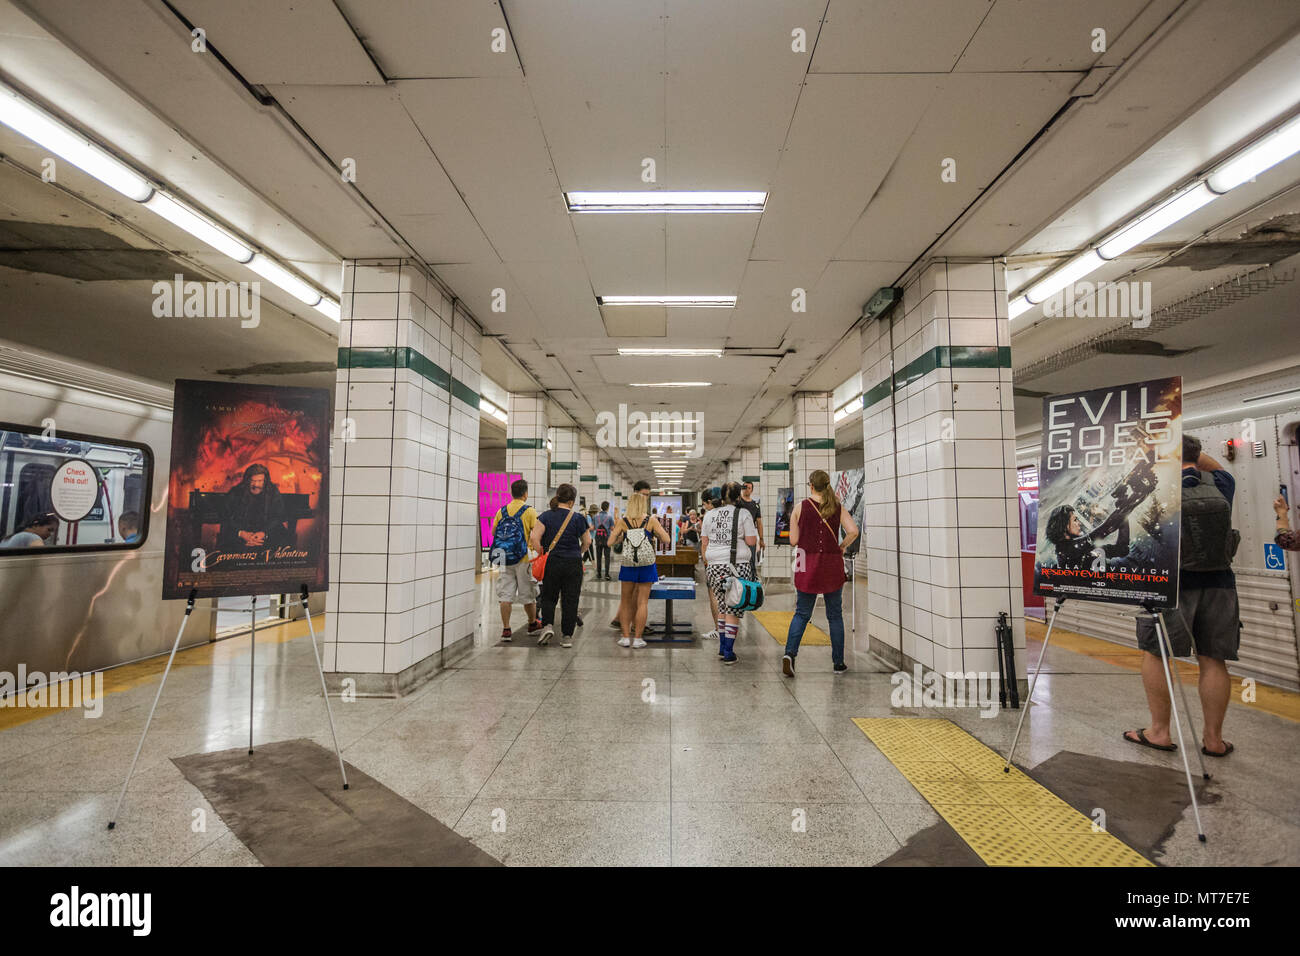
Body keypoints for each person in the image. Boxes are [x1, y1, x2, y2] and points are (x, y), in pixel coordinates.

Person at [1125, 436, 1240, 758]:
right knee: (1213, 658)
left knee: (1157, 654)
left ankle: (1159, 732)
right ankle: (1214, 741)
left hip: (1168, 584)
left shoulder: (1157, 488)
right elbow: (1211, 464)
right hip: (1219, 582)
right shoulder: (1222, 482)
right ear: (1197, 454)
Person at [782, 470, 859, 676]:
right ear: (827, 486)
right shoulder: (837, 507)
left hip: (807, 564)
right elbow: (854, 531)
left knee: (802, 613)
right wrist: (841, 546)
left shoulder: (800, 507)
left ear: (811, 486)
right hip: (831, 565)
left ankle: (790, 654)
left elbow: (793, 541)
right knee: (834, 615)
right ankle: (838, 663)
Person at [700, 482, 758, 664]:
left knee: (722, 606)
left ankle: (722, 647)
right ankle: (728, 651)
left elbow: (704, 541)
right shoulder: (743, 514)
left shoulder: (710, 515)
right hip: (736, 565)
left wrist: (707, 561)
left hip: (714, 566)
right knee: (733, 607)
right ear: (738, 496)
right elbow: (750, 541)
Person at [608, 479, 670, 648]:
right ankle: (638, 639)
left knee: (626, 601)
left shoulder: (623, 521)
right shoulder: (651, 520)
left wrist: (623, 536)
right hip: (646, 564)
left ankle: (625, 637)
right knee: (642, 602)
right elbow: (667, 538)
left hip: (628, 564)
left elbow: (609, 543)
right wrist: (652, 536)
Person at [528, 483, 591, 648]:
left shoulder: (545, 516)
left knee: (549, 596)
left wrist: (542, 551)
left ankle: (548, 626)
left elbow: (534, 537)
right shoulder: (578, 518)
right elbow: (587, 542)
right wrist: (578, 552)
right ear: (571, 501)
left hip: (552, 561)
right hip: (573, 563)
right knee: (570, 599)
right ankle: (567, 636)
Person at [489, 478, 543, 642]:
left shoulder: (502, 511)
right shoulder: (530, 511)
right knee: (527, 593)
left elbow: (493, 533)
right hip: (524, 557)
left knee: (505, 594)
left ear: (511, 493)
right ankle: (532, 624)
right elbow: (536, 535)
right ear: (525, 493)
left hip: (504, 557)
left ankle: (506, 629)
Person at [219, 463, 288, 551]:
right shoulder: (236, 492)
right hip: (240, 535)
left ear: (265, 480)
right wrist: (241, 533)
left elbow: (278, 517)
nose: (256, 484)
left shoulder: (273, 491)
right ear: (247, 480)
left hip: (266, 533)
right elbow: (226, 517)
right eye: (253, 481)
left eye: (260, 481)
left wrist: (263, 533)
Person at [739, 481, 765, 557]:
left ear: (752, 490)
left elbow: (759, 523)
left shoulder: (755, 505)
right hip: (739, 535)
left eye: (749, 488)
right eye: (745, 487)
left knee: (751, 558)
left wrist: (761, 539)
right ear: (742, 488)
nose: (747, 489)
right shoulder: (737, 503)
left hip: (750, 534)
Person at [592, 500, 615, 580]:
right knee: (607, 557)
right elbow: (612, 528)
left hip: (598, 539)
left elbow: (593, 527)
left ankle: (598, 574)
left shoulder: (595, 517)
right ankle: (607, 574)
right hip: (607, 539)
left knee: (598, 557)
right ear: (607, 508)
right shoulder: (609, 517)